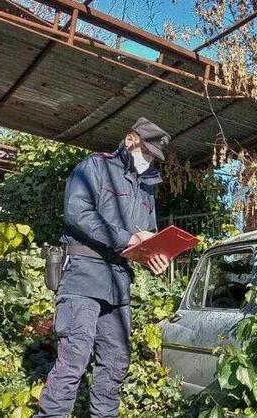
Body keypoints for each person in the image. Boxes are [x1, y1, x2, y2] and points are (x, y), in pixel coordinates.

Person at [36, 117, 171, 417]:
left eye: (153, 156)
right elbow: (77, 212)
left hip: (119, 281)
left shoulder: (147, 189)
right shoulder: (95, 167)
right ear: (130, 140)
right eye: (146, 151)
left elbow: (144, 237)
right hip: (84, 274)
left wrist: (153, 255)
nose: (148, 160)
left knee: (115, 363)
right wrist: (126, 238)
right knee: (73, 361)